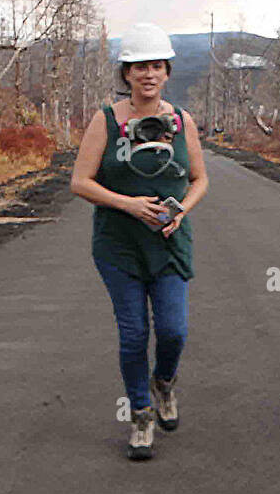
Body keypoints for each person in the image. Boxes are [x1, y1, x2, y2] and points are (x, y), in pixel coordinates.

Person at [71, 23, 208, 461]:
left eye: (155, 66)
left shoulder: (182, 121)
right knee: (133, 335)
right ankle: (141, 415)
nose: (148, 74)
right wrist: (127, 204)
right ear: (126, 73)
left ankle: (164, 382)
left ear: (166, 71)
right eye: (138, 67)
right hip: (119, 245)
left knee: (173, 331)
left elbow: (200, 178)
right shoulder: (106, 120)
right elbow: (80, 182)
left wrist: (183, 209)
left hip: (169, 243)